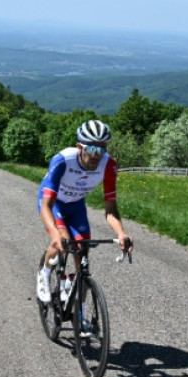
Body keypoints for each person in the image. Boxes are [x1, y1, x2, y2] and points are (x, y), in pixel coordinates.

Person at [37, 120, 133, 305]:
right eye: (92, 149)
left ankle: (79, 315)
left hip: (76, 205)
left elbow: (111, 210)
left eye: (102, 149)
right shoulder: (63, 160)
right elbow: (46, 205)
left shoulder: (109, 166)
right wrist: (56, 234)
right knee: (63, 240)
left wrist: (121, 233)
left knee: (82, 252)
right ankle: (44, 273)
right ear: (80, 147)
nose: (97, 155)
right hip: (54, 204)